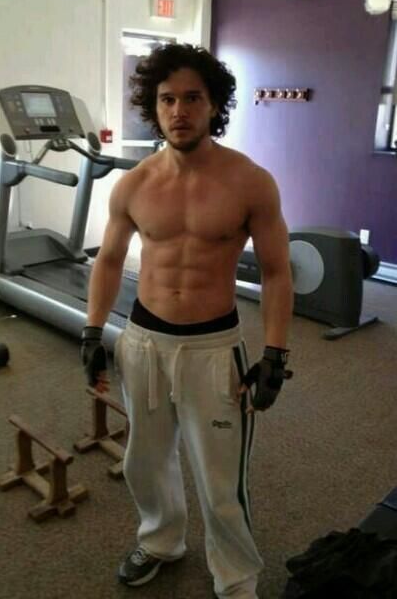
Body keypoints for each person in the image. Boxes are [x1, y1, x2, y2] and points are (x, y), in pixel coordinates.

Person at [80, 43, 294, 599]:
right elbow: (108, 260)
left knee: (221, 479)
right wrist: (92, 331)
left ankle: (236, 578)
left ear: (214, 105)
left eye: (192, 98)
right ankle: (160, 541)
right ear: (154, 107)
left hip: (213, 348)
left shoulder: (251, 182)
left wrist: (275, 355)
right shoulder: (134, 184)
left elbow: (277, 273)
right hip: (143, 341)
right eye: (167, 99)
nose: (179, 111)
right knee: (144, 461)